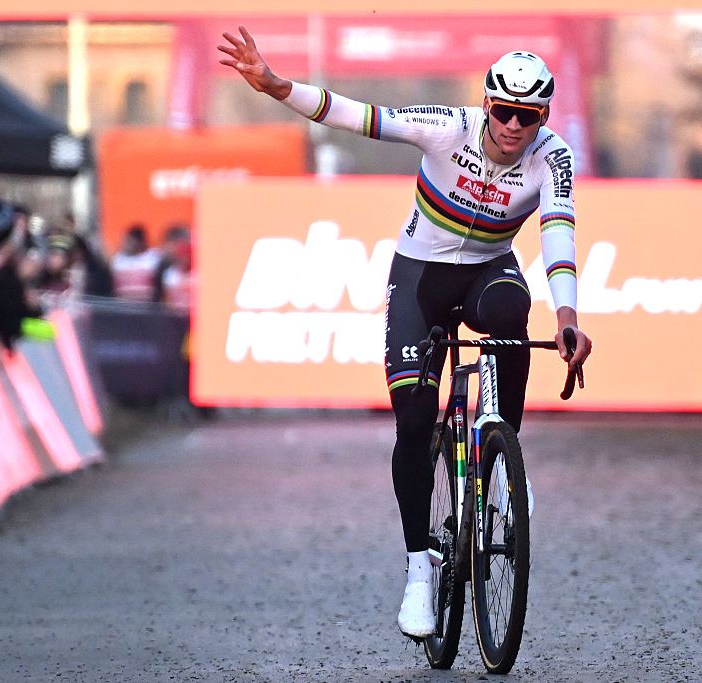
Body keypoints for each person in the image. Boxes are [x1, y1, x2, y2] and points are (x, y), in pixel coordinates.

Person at [219, 26, 592, 639]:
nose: (513, 127)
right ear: (486, 104)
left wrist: (569, 316)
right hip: (421, 276)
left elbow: (558, 230)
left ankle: (504, 463)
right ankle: (419, 570)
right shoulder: (447, 128)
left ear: (543, 116)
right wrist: (276, 86)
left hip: (489, 273)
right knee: (415, 422)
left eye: (528, 116)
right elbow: (357, 116)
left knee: (509, 318)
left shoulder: (552, 156)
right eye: (503, 111)